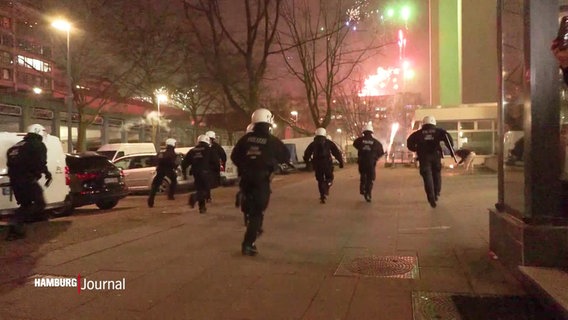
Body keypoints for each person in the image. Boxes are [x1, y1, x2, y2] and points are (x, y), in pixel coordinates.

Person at [231, 108, 290, 256]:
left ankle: (247, 210)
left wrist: (245, 165)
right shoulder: (272, 141)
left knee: (251, 207)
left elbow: (234, 156)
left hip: (245, 179)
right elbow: (285, 156)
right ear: (269, 122)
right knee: (258, 212)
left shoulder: (245, 140)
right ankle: (248, 243)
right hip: (261, 181)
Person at [5, 124, 52, 241]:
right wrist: (46, 173)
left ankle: (18, 227)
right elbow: (40, 162)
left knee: (26, 204)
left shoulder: (16, 146)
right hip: (28, 179)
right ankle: (16, 225)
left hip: (15, 180)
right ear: (38, 132)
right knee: (39, 203)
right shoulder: (37, 145)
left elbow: (11, 163)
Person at [407, 116, 454, 208]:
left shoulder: (418, 133)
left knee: (427, 176)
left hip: (424, 157)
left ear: (423, 123)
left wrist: (416, 149)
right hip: (436, 156)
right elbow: (449, 140)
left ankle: (431, 197)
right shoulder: (440, 131)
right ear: (434, 123)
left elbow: (409, 143)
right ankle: (436, 193)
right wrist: (450, 148)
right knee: (436, 174)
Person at [303, 127, 344, 203]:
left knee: (320, 180)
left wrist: (307, 163)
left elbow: (307, 153)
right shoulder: (329, 143)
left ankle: (322, 196)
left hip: (317, 164)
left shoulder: (313, 144)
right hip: (327, 164)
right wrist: (341, 162)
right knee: (330, 177)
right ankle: (327, 184)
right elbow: (336, 152)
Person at [181, 135, 219, 214]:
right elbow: (216, 162)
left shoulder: (192, 150)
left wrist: (184, 172)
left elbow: (184, 163)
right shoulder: (209, 150)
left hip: (196, 173)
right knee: (206, 190)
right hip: (206, 172)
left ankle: (202, 208)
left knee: (200, 189)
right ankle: (195, 197)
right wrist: (216, 172)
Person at [353, 123, 385, 202]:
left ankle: (362, 187)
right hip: (371, 163)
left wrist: (362, 149)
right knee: (370, 178)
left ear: (364, 132)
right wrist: (375, 157)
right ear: (372, 132)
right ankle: (368, 194)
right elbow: (381, 152)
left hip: (361, 162)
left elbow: (355, 144)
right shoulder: (376, 142)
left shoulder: (359, 140)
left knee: (363, 174)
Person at [147, 138, 178, 208]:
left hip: (160, 170)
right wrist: (175, 167)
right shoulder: (172, 152)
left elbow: (155, 160)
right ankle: (171, 195)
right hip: (168, 169)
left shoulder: (161, 152)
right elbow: (172, 162)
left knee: (155, 185)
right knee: (174, 180)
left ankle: (150, 200)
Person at [205, 130, 226, 202]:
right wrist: (223, 165)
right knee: (210, 181)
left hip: (205, 166)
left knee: (206, 182)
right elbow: (223, 156)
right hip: (214, 167)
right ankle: (207, 196)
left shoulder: (204, 146)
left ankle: (207, 196)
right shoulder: (217, 146)